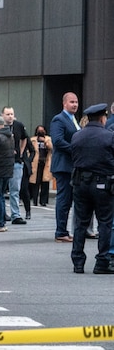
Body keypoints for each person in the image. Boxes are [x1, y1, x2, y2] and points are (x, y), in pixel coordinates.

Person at [68, 103, 114, 274]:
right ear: (103, 118)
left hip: (80, 184)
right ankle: (102, 261)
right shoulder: (109, 136)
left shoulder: (77, 136)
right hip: (103, 184)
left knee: (80, 222)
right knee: (104, 222)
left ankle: (78, 262)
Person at [51, 92, 81, 243]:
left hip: (72, 165)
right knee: (63, 200)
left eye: (76, 102)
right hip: (63, 166)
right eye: (71, 102)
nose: (75, 104)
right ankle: (60, 231)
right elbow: (57, 141)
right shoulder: (59, 119)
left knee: (68, 200)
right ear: (64, 103)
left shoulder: (73, 119)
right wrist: (76, 149)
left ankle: (64, 230)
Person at [1, 106, 28, 224]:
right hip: (2, 163)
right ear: (3, 115)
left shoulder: (18, 125)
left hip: (16, 161)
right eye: (7, 114)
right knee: (0, 189)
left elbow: (24, 138)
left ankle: (15, 215)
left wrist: (21, 152)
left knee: (15, 189)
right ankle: (1, 213)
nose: (10, 116)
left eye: (11, 114)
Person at [29, 125, 53, 207]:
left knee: (45, 182)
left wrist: (45, 141)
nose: (41, 132)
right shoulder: (33, 140)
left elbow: (51, 147)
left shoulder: (48, 139)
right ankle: (35, 200)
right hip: (36, 163)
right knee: (35, 182)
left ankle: (43, 201)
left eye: (42, 130)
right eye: (39, 130)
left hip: (45, 163)